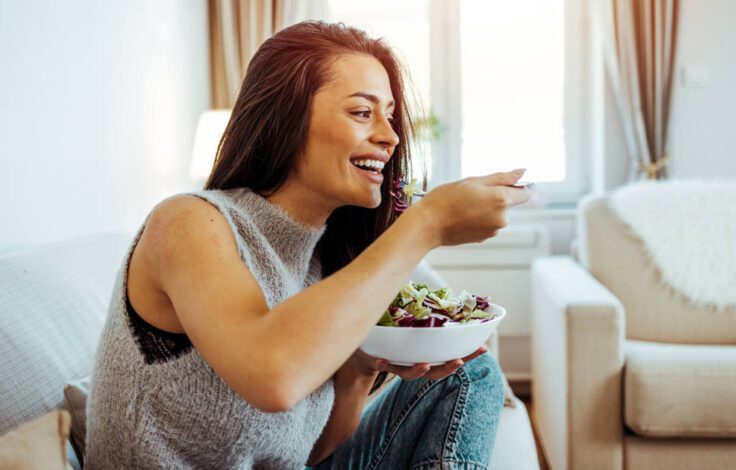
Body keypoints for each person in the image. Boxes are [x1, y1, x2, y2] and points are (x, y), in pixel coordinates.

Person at [85, 21, 529, 469]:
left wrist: (359, 368)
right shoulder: (187, 223)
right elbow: (274, 378)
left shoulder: (319, 259)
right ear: (287, 119)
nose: (391, 137)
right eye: (362, 113)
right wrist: (425, 224)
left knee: (471, 372)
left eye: (390, 117)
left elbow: (305, 454)